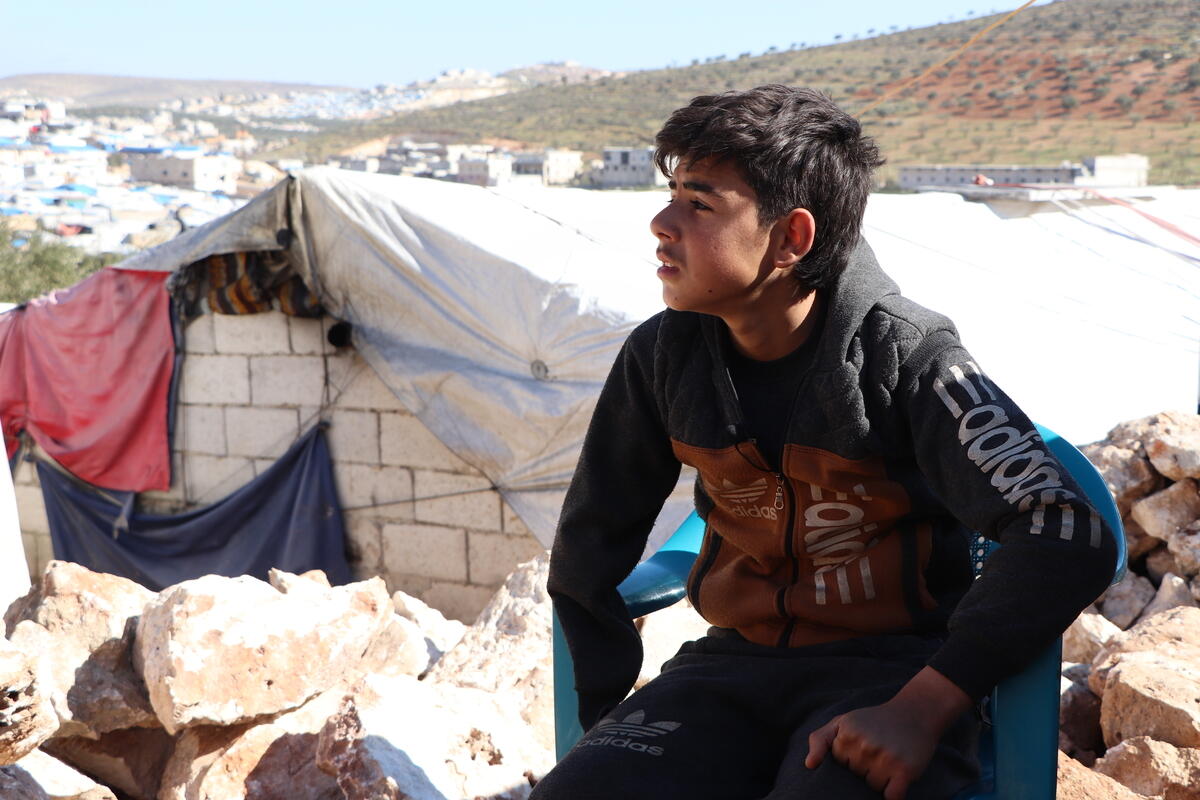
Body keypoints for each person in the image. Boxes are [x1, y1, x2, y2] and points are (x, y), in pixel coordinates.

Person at [532, 85, 1116, 800]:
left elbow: (1063, 530)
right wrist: (605, 733)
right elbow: (590, 549)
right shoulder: (662, 358)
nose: (661, 222)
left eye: (700, 203)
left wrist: (926, 706)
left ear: (791, 239)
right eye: (670, 193)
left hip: (886, 678)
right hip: (728, 671)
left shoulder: (909, 358)